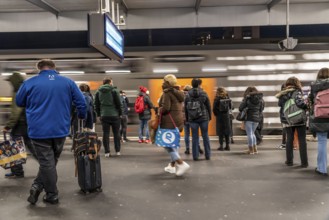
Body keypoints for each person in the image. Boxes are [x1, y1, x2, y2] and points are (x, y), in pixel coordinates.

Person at [16, 59, 86, 205]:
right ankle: (44, 189)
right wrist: (81, 115)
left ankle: (49, 192)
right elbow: (82, 102)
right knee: (51, 162)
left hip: (38, 130)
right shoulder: (68, 82)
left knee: (47, 163)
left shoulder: (29, 83)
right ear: (54, 68)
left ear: (39, 69)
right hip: (61, 129)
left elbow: (19, 102)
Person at [2, 72, 37, 178]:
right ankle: (48, 166)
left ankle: (17, 172)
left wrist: (8, 125)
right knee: (31, 146)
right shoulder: (27, 89)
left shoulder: (17, 92)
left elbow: (16, 112)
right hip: (28, 124)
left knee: (15, 149)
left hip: (19, 125)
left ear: (14, 82)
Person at [159, 74, 190, 176]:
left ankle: (181, 163)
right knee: (173, 143)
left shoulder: (167, 93)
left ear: (167, 82)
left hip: (169, 122)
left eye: (164, 81)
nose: (163, 83)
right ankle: (172, 166)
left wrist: (158, 109)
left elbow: (166, 108)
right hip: (178, 121)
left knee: (167, 144)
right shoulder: (179, 92)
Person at [277, 77, 308, 167]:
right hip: (299, 119)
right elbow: (300, 103)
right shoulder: (297, 92)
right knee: (302, 140)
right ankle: (304, 163)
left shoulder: (283, 93)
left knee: (289, 139)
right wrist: (306, 106)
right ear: (297, 83)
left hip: (287, 120)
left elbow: (280, 104)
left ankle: (289, 161)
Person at [94, 77, 122, 157]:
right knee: (116, 133)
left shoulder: (98, 91)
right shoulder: (114, 91)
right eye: (111, 82)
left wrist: (99, 114)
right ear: (110, 82)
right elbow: (119, 104)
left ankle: (107, 152)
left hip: (104, 115)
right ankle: (117, 151)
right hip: (115, 115)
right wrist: (120, 113)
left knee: (105, 133)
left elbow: (96, 104)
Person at [185, 78, 212, 161]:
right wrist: (209, 117)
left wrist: (187, 118)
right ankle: (208, 155)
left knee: (194, 137)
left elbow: (186, 108)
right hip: (203, 118)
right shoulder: (204, 93)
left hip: (192, 119)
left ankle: (195, 156)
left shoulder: (188, 94)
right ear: (200, 84)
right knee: (205, 136)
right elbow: (208, 106)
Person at [309, 68, 329, 175]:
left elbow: (311, 101)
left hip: (320, 117)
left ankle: (322, 168)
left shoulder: (314, 86)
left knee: (322, 142)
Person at [238, 86, 264, 155]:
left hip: (249, 118)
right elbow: (261, 109)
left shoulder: (247, 99)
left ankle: (250, 150)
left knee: (250, 134)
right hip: (257, 119)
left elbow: (240, 108)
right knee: (252, 133)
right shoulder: (260, 99)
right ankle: (255, 149)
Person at [182, 85, 203, 155]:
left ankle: (187, 149)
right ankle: (198, 146)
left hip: (185, 118)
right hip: (193, 117)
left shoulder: (182, 97)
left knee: (186, 134)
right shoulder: (192, 97)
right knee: (195, 134)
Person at [213, 87, 232, 151]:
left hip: (220, 116)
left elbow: (214, 108)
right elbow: (230, 106)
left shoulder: (217, 98)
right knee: (227, 131)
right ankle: (227, 145)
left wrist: (217, 114)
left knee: (220, 131)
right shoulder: (227, 98)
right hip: (226, 116)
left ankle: (221, 146)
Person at [275, 83, 287, 150]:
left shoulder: (282, 95)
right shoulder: (291, 94)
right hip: (291, 113)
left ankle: (284, 144)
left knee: (284, 129)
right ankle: (293, 144)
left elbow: (279, 104)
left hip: (283, 113)